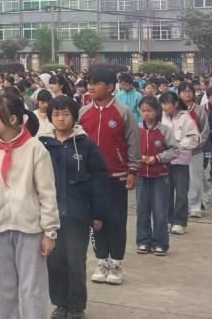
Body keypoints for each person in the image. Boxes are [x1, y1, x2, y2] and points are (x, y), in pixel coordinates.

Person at [0, 92, 58, 319]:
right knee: (1, 288)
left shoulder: (35, 149)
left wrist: (50, 231)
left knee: (33, 288)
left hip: (29, 229)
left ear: (12, 119)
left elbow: (47, 193)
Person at [39, 97, 107, 319]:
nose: (61, 119)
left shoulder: (86, 144)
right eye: (56, 114)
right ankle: (60, 304)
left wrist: (97, 213)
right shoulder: (42, 144)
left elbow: (98, 180)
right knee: (55, 262)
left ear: (74, 116)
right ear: (50, 117)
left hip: (77, 214)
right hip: (50, 214)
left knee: (76, 261)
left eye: (66, 114)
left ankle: (77, 306)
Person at [79, 67, 140, 285]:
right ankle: (101, 261)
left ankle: (116, 264)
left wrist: (133, 170)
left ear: (110, 87)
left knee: (116, 221)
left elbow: (133, 143)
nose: (91, 87)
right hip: (91, 178)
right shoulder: (83, 112)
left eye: (96, 83)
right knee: (96, 222)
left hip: (117, 175)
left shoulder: (124, 113)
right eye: (90, 83)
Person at [135, 96, 177, 256]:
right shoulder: (136, 129)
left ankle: (160, 243)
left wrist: (157, 158)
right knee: (142, 210)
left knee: (160, 211)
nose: (146, 114)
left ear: (157, 111)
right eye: (143, 111)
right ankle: (143, 241)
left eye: (149, 110)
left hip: (160, 175)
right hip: (141, 175)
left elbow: (175, 150)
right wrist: (138, 158)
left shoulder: (164, 130)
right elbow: (129, 148)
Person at [160, 92, 199, 237]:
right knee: (166, 192)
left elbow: (194, 138)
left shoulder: (186, 117)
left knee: (181, 192)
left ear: (175, 104)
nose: (164, 107)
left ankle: (180, 222)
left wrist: (177, 145)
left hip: (181, 160)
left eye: (166, 103)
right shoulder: (161, 117)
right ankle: (168, 219)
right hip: (164, 160)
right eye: (162, 103)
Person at [178, 83, 210, 219]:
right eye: (184, 91)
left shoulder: (199, 110)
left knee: (195, 179)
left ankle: (195, 207)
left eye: (189, 91)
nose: (187, 94)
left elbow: (205, 129)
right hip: (178, 151)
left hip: (195, 151)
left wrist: (196, 144)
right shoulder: (175, 109)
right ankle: (181, 206)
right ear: (179, 94)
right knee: (180, 180)